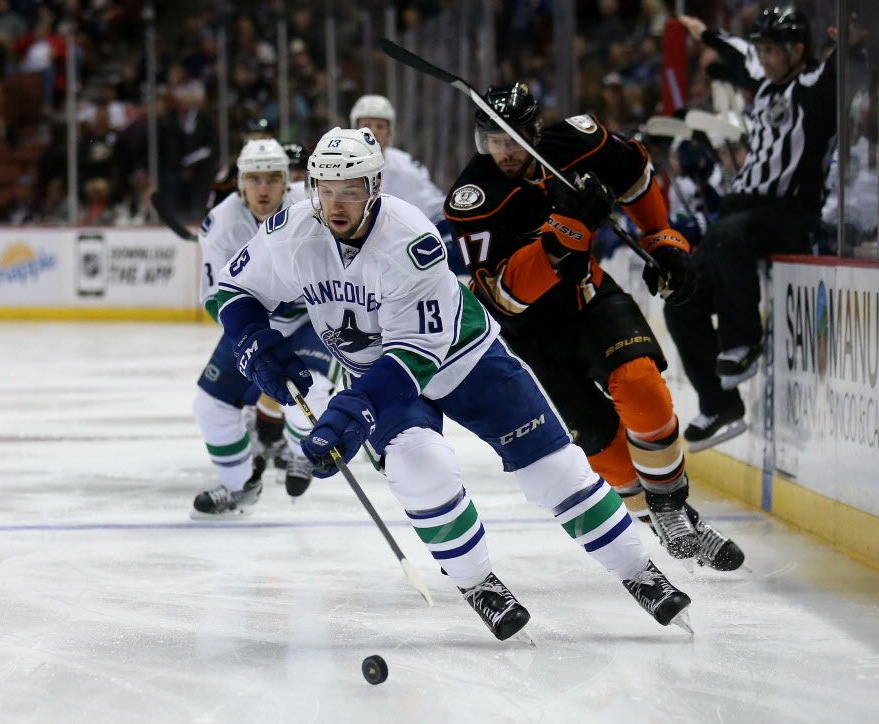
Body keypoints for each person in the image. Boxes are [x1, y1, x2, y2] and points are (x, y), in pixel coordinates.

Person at [213, 126, 692, 641]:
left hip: (462, 357)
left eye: (349, 190)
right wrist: (252, 342)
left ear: (374, 187)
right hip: (375, 369)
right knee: (423, 469)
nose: (335, 204)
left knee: (554, 470)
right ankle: (477, 582)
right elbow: (232, 291)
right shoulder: (291, 229)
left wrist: (353, 413)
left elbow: (411, 361)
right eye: (324, 190)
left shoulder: (408, 239)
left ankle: (638, 571)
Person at [445, 83, 744, 570]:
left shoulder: (577, 141)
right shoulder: (474, 198)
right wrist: (567, 228)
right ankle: (673, 517)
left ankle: (668, 505)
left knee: (641, 384)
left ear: (533, 133)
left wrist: (663, 239)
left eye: (512, 139)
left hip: (588, 296)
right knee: (606, 453)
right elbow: (507, 297)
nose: (503, 152)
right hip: (531, 339)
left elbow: (635, 173)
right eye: (494, 141)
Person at [665, 9, 838, 450]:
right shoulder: (763, 85)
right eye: (761, 48)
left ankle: (742, 343)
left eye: (771, 49)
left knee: (727, 235)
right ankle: (719, 402)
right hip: (742, 214)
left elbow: (845, 70)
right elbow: (740, 54)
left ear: (797, 51)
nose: (762, 56)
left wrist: (852, 41)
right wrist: (709, 35)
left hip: (790, 212)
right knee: (680, 298)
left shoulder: (814, 87)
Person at [191, 139, 335, 517]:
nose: (264, 189)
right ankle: (240, 486)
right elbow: (212, 297)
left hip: (310, 320)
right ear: (240, 183)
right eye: (254, 179)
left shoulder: (311, 212)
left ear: (288, 181)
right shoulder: (221, 224)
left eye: (273, 178)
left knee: (312, 393)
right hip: (253, 325)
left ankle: (302, 449)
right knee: (210, 406)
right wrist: (249, 334)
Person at [349, 95, 467, 275]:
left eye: (380, 126)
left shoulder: (407, 169)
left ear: (390, 133)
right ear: (354, 129)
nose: (372, 132)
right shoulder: (337, 164)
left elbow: (436, 212)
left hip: (400, 257)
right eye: (366, 125)